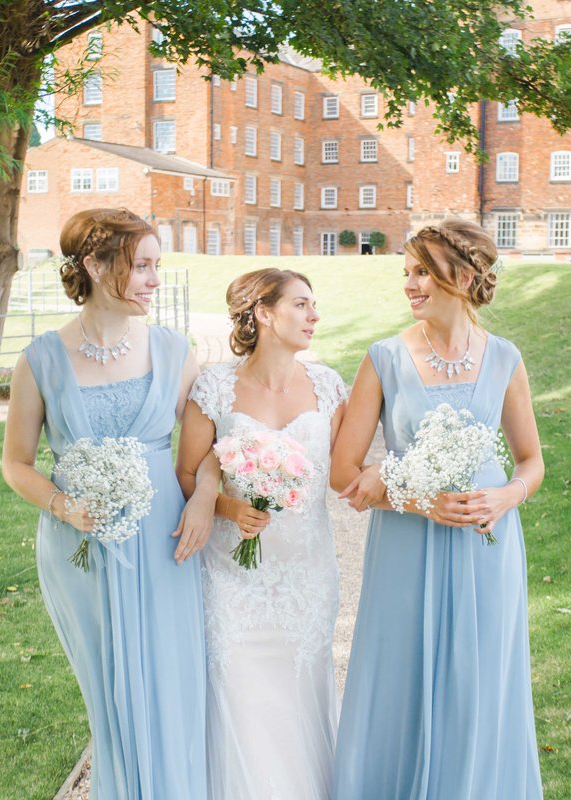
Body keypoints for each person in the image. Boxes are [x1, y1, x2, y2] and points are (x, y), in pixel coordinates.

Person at [1, 208, 214, 799]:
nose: (153, 280)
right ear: (95, 266)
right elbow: (15, 464)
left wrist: (203, 503)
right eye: (141, 266)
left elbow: (210, 449)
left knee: (171, 682)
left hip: (165, 541)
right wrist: (66, 507)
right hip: (81, 548)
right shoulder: (39, 361)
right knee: (112, 691)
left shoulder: (174, 351)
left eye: (156, 267)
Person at [331, 218, 545, 799]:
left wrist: (506, 495)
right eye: (406, 272)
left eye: (422, 271)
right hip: (407, 546)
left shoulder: (504, 358)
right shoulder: (383, 359)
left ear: (465, 274)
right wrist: (420, 501)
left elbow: (531, 461)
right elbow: (344, 473)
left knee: (479, 684)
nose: (410, 283)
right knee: (402, 677)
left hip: (486, 548)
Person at [175, 268, 347, 800]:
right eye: (301, 304)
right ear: (263, 313)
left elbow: (342, 473)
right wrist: (226, 504)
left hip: (307, 575)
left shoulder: (329, 387)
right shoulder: (215, 387)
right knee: (244, 702)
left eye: (314, 305)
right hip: (233, 579)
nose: (314, 315)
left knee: (301, 696)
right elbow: (188, 472)